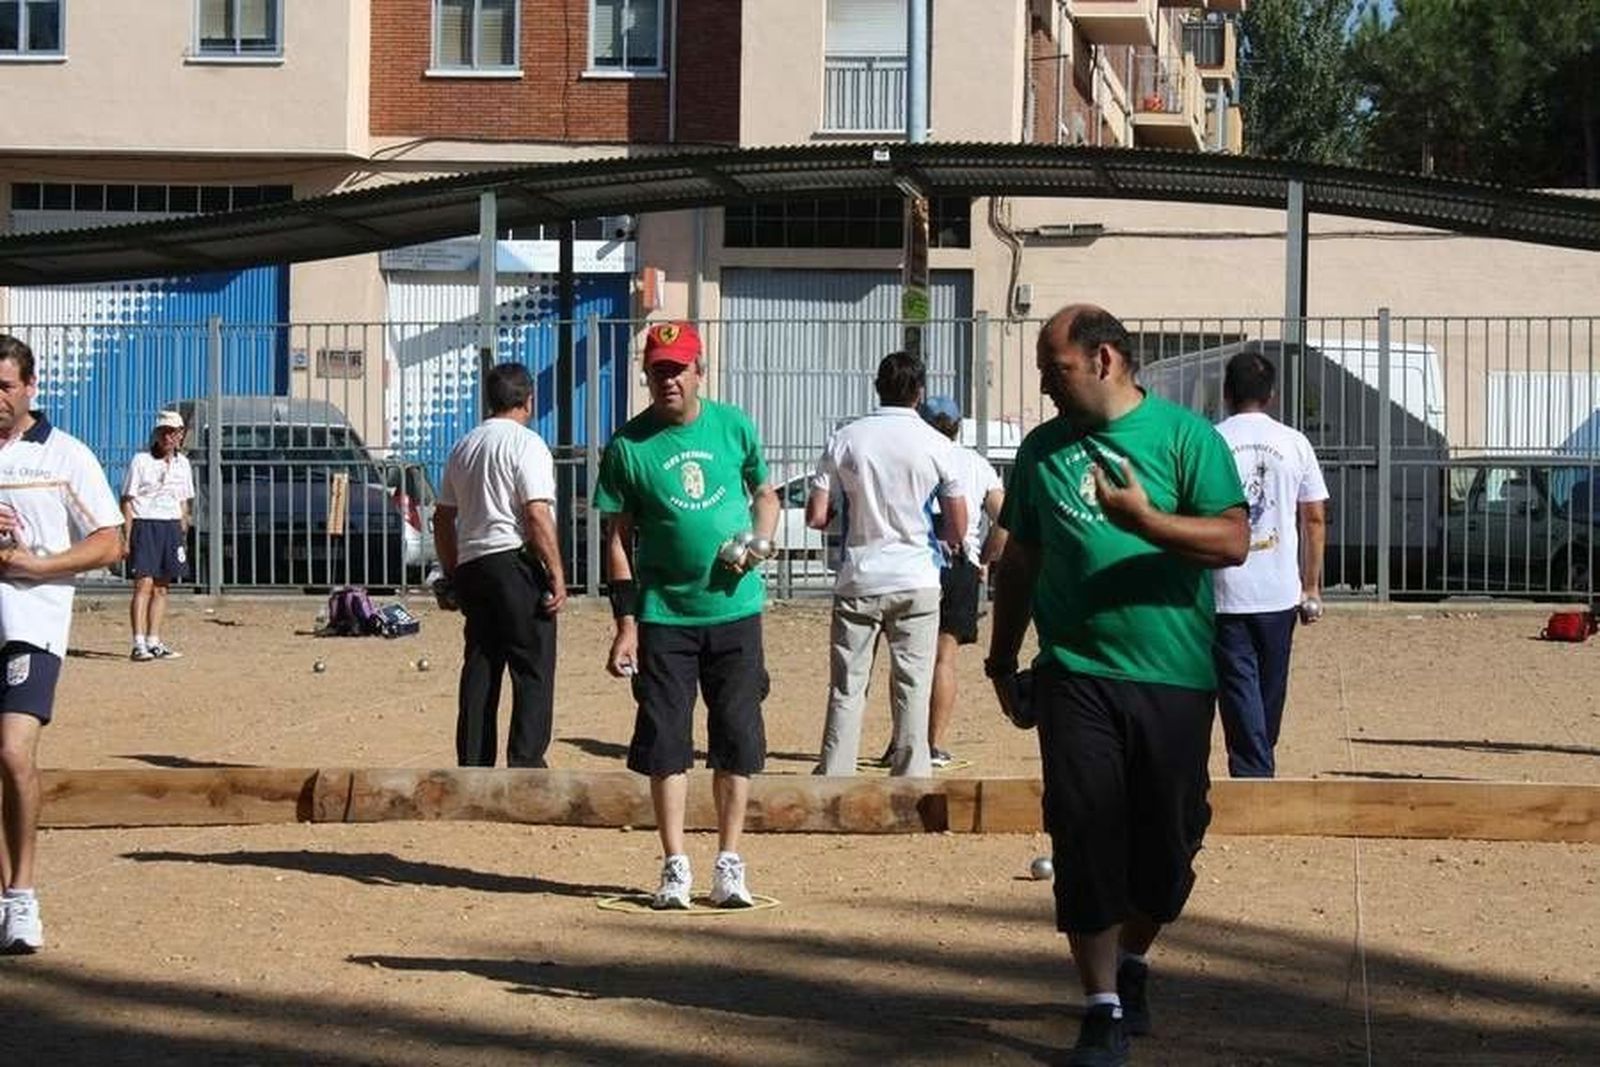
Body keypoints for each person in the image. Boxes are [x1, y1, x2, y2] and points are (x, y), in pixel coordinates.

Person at [986, 306, 1246, 1065]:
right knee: (1082, 827)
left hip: (1173, 673)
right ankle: (1100, 1005)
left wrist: (1145, 519)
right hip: (1076, 673)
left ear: (1104, 360)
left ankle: (1132, 959)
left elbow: (1231, 538)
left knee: (1169, 844)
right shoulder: (1042, 451)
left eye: (1054, 367)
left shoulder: (1185, 438)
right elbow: (1023, 564)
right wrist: (1004, 660)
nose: (1043, 384)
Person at [595, 321, 778, 910]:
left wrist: (760, 542)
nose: (668, 379)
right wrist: (626, 623)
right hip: (663, 614)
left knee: (736, 734)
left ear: (700, 372)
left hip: (734, 609)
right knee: (666, 740)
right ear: (645, 375)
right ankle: (675, 865)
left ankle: (729, 863)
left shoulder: (733, 425)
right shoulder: (628, 445)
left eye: (678, 368)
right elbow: (617, 536)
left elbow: (765, 493)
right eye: (658, 369)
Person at [0, 334, 125, 953]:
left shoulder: (65, 456)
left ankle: (23, 898)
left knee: (13, 754)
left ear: (30, 387)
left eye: (4, 386)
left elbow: (110, 541)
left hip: (30, 622)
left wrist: (36, 565)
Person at [807, 351, 967, 778]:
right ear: (920, 392)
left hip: (860, 575)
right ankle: (912, 774)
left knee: (847, 685)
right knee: (913, 684)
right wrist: (943, 541)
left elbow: (817, 516)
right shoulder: (937, 443)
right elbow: (958, 523)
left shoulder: (846, 438)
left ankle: (836, 775)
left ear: (877, 386)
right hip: (917, 577)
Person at [433, 362, 566, 769]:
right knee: (532, 666)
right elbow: (536, 514)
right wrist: (557, 573)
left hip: (474, 564)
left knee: (481, 665)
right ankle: (526, 763)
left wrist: (453, 571)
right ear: (529, 400)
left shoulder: (465, 446)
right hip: (513, 559)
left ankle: (473, 764)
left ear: (488, 400)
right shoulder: (527, 444)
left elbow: (442, 518)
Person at [1212, 351, 1329, 779]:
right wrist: (1311, 585)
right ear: (1272, 395)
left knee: (1241, 685)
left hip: (1226, 586)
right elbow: (1314, 517)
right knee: (1268, 686)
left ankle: (1255, 763)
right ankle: (1255, 769)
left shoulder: (1211, 440)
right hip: (1280, 588)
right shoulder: (1294, 442)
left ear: (1226, 393)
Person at [918, 395, 1007, 769]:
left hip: (917, 561)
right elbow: (1006, 518)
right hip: (960, 562)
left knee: (909, 659)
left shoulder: (914, 455)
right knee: (945, 659)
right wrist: (985, 557)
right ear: (957, 426)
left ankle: (901, 742)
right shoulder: (975, 463)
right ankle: (933, 745)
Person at [121, 410, 195, 662]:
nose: (168, 437)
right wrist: (127, 536)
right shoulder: (140, 461)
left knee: (162, 587)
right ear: (156, 434)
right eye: (163, 431)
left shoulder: (183, 464)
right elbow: (128, 500)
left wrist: (182, 529)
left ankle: (154, 640)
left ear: (181, 435)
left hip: (170, 526)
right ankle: (138, 642)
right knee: (144, 585)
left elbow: (184, 500)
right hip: (145, 524)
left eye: (173, 432)